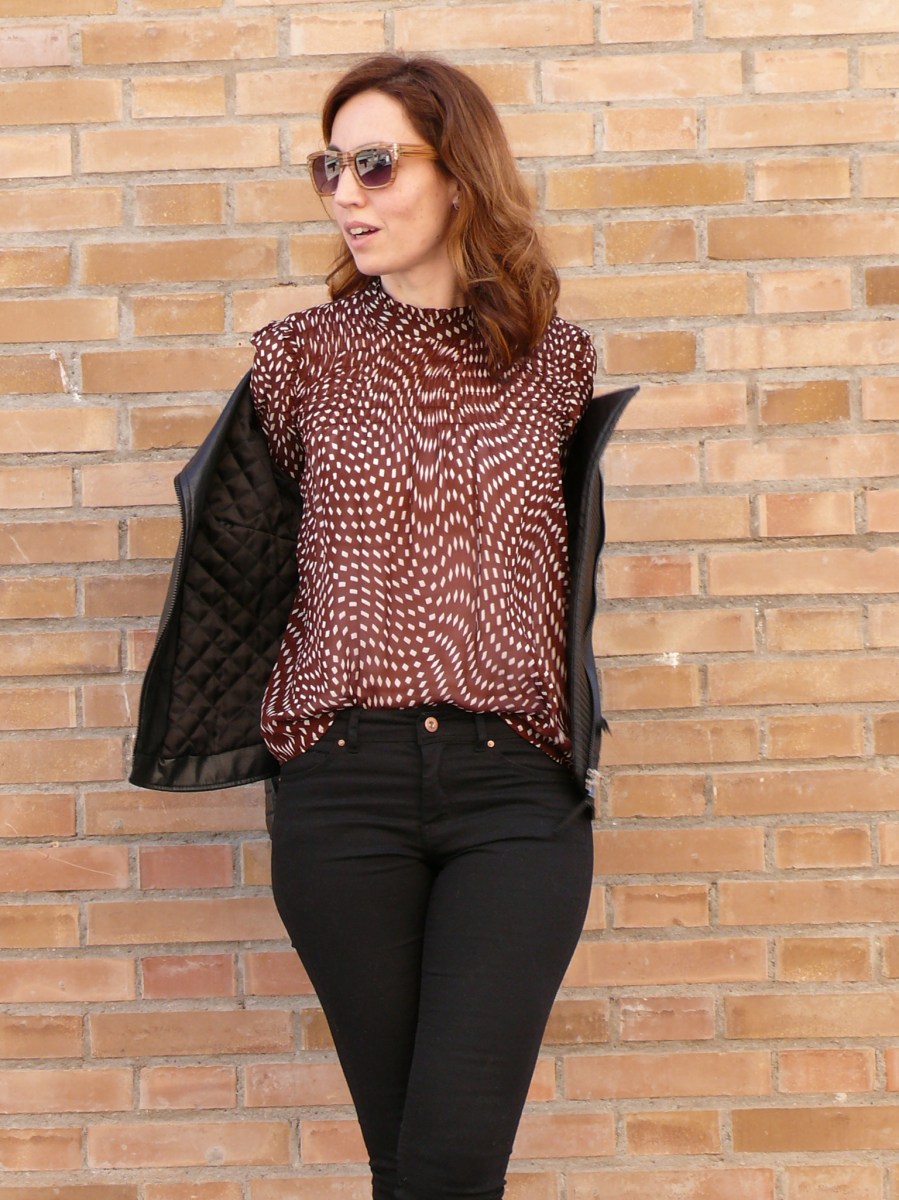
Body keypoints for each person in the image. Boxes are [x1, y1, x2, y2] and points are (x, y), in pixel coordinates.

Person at [131, 52, 636, 1200]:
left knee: (449, 1158)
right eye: (328, 169)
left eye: (373, 165)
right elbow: (250, 565)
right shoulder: (298, 359)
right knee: (406, 1162)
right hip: (343, 788)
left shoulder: (552, 362)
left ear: (457, 174)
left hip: (515, 792)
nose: (345, 195)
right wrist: (286, 734)